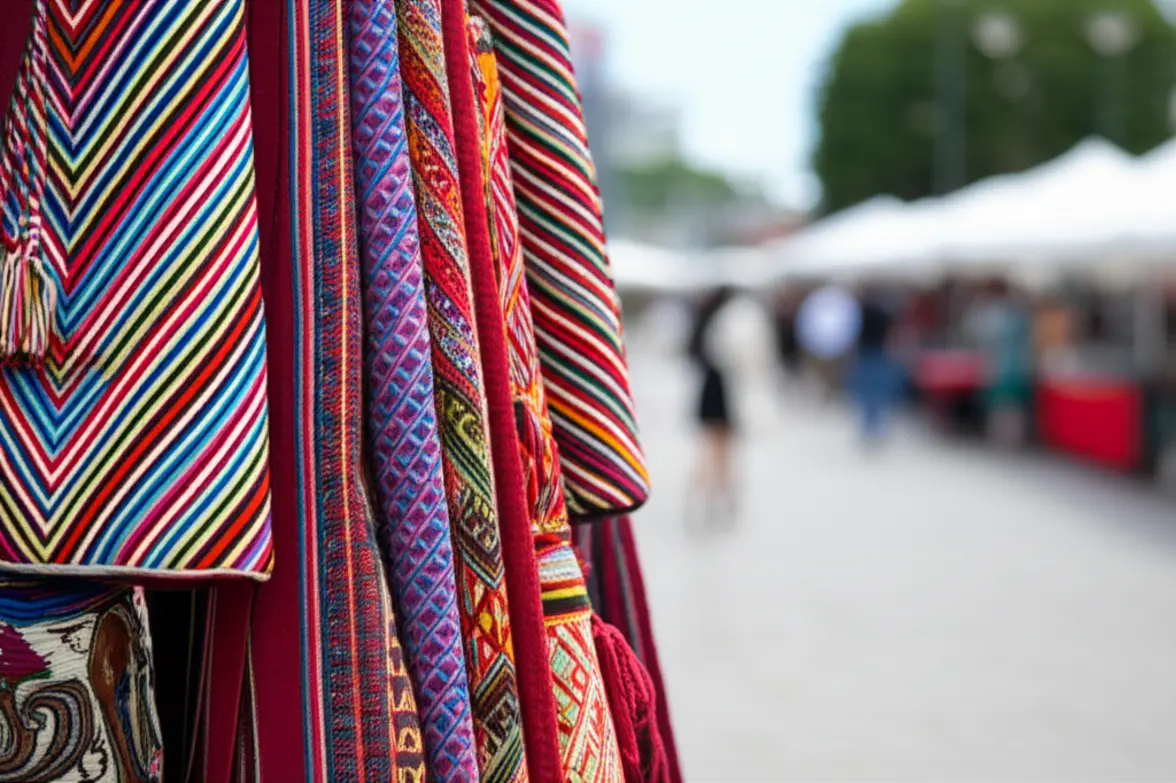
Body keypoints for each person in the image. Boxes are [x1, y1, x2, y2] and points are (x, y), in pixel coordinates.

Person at [687, 286, 737, 526]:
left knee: (711, 447)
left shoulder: (706, 321)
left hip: (710, 389)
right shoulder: (729, 323)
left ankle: (707, 497)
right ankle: (720, 498)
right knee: (723, 448)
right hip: (726, 391)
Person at [850, 287, 899, 443]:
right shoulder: (882, 314)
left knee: (867, 394)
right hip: (879, 354)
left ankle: (868, 428)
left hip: (866, 354)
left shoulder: (860, 314)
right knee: (878, 393)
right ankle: (876, 427)